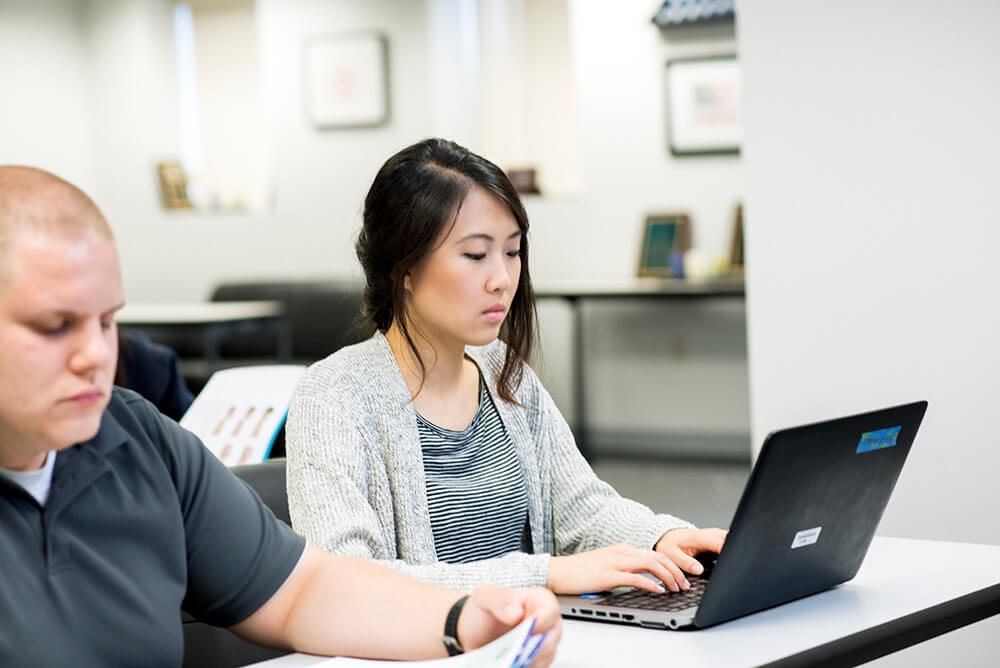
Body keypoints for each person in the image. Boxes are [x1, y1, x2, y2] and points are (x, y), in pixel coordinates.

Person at [0, 165, 560, 667]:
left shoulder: (137, 439)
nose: (97, 356)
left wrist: (459, 621)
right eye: (54, 326)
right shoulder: (339, 390)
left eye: (106, 322)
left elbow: (301, 590)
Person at [285, 138, 727, 597]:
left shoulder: (503, 371)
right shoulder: (333, 396)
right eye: (476, 255)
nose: (502, 280)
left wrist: (661, 538)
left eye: (512, 253)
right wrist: (545, 575)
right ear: (404, 270)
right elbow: (346, 583)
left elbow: (579, 507)